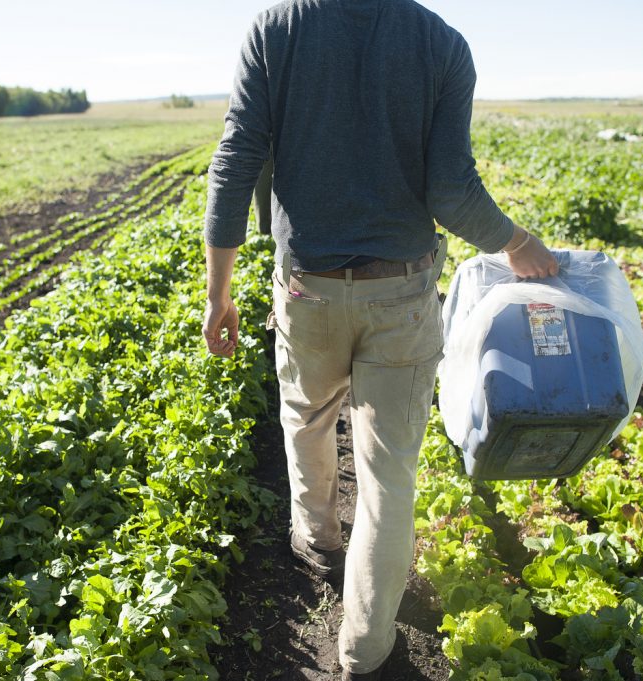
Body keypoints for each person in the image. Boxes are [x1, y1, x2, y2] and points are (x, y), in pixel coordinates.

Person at [201, 1, 558, 678]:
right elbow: (451, 190)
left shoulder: (277, 29)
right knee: (390, 475)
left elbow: (235, 159)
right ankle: (365, 649)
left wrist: (218, 291)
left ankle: (316, 537)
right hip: (402, 292)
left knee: (306, 415)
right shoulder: (441, 44)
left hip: (307, 288)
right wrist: (516, 241)